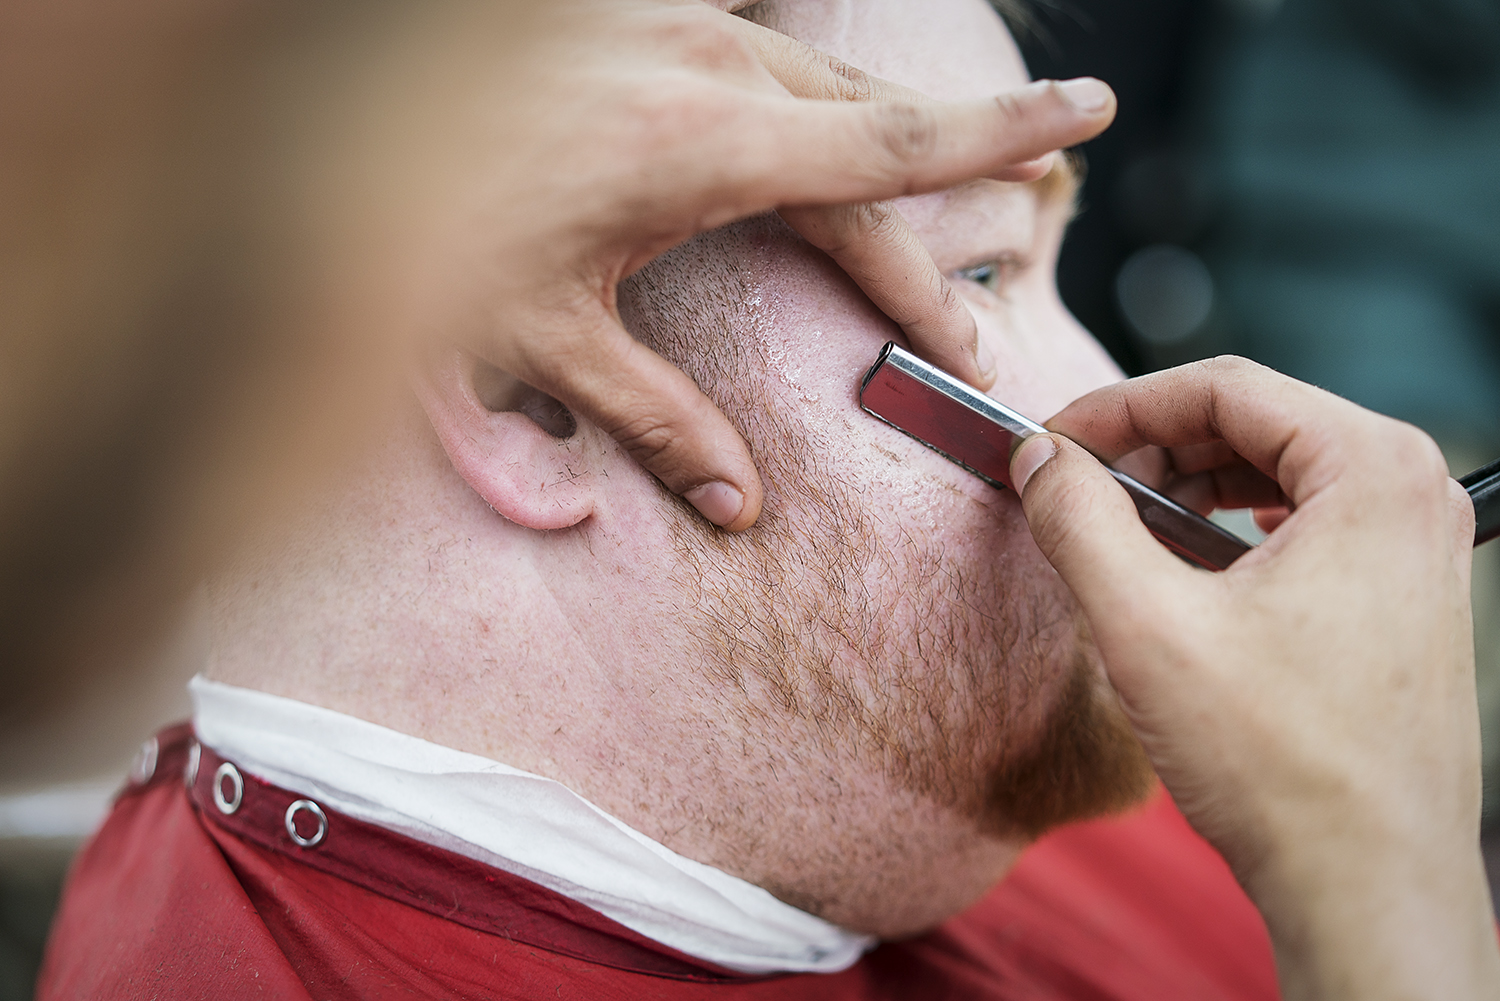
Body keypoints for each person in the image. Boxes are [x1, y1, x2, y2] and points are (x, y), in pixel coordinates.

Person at [35, 1, 1500, 1000]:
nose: (1109, 384)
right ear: (527, 394)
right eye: (982, 271)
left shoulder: (941, 754)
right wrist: (1390, 895)